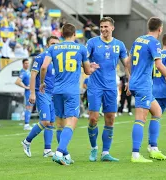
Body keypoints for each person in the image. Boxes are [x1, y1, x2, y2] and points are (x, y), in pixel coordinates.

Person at [40, 23, 99, 165]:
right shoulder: (81, 48)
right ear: (74, 34)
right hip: (71, 90)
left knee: (60, 124)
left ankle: (65, 155)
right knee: (71, 122)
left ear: (61, 34)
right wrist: (92, 68)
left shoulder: (53, 48)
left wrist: (42, 82)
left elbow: (43, 67)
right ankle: (59, 152)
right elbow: (87, 71)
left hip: (57, 89)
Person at [127, 17, 166, 163]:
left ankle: (153, 148)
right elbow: (159, 65)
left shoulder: (138, 40)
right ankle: (136, 155)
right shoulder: (154, 42)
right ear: (160, 29)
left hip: (138, 83)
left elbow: (128, 61)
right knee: (140, 118)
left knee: (157, 111)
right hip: (143, 85)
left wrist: (130, 79)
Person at [86, 17, 129, 162]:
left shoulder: (119, 45)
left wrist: (129, 79)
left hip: (111, 86)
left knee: (110, 119)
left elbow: (126, 63)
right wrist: (87, 67)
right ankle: (93, 149)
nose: (103, 29)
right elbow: (83, 58)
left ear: (112, 28)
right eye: (101, 27)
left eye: (106, 27)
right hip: (95, 86)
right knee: (93, 118)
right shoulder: (92, 42)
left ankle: (105, 153)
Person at [21, 36, 60, 158]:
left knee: (51, 122)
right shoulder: (40, 57)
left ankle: (47, 150)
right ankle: (26, 141)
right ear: (47, 45)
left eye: (57, 44)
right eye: (52, 43)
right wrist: (32, 93)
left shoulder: (57, 59)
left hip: (53, 94)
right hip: (42, 93)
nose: (55, 46)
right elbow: (33, 76)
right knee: (45, 120)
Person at [15, 59, 32, 130]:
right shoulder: (23, 72)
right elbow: (17, 82)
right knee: (28, 107)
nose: (27, 65)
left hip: (31, 91)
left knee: (30, 108)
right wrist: (25, 87)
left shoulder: (28, 71)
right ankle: (26, 124)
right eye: (25, 63)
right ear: (23, 64)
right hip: (28, 92)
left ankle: (28, 123)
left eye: (28, 63)